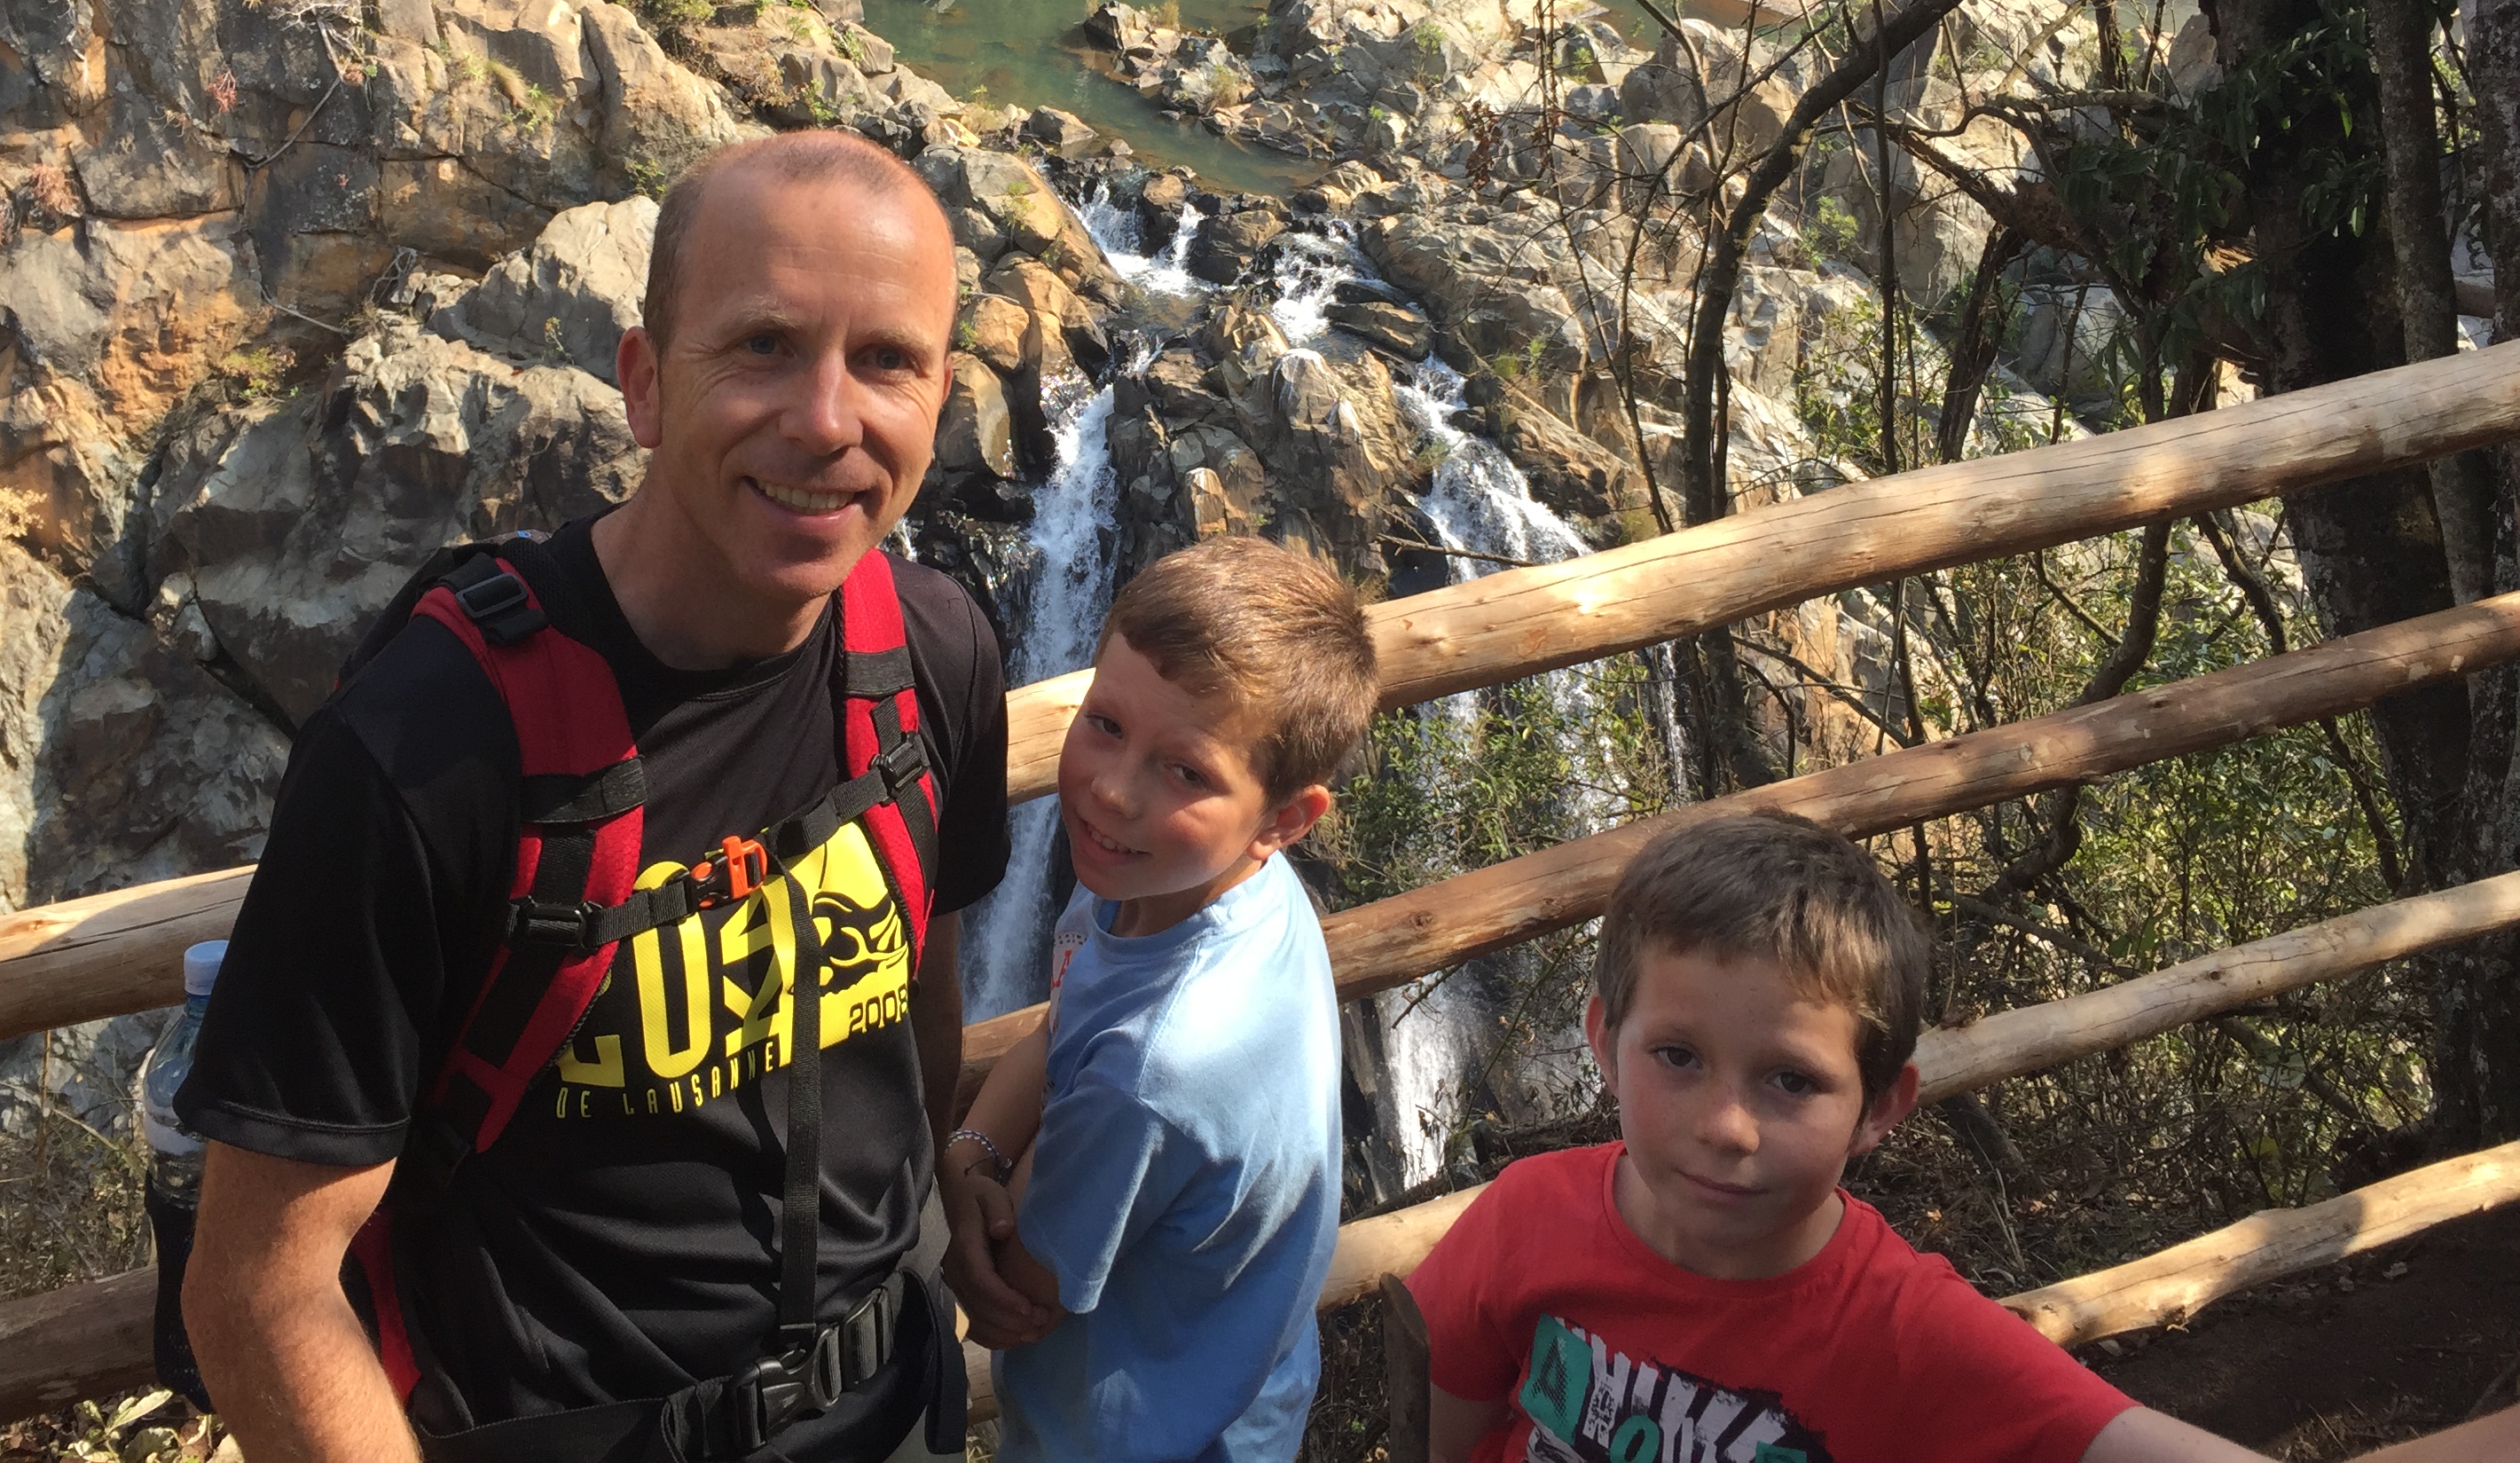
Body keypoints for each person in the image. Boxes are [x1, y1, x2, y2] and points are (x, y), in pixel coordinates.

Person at [176, 130, 1013, 1463]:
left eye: (887, 361)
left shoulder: (932, 653)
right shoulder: (429, 747)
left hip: (892, 1404)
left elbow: (922, 989)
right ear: (644, 383)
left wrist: (955, 1163)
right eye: (764, 345)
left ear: (941, 395)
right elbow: (258, 1289)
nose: (827, 419)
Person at [1409, 810, 2520, 1463]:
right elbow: (1441, 1431)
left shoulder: (1907, 1333)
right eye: (1678, 1056)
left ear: (1880, 1108)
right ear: (1604, 1041)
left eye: (1792, 1080)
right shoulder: (1527, 1217)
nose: (1726, 1127)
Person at [941, 536, 1378, 1463]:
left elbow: (1020, 1287)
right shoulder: (1197, 883)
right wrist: (972, 1153)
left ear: (1284, 819)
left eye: (1186, 772)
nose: (1110, 789)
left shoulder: (1154, 1069)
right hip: (1239, 1389)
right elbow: (1065, 1022)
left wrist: (962, 1203)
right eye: (1104, 723)